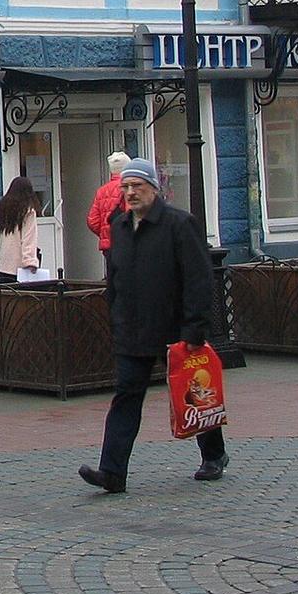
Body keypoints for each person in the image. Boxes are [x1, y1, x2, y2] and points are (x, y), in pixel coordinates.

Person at [79, 158, 229, 493]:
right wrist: (116, 317)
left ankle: (214, 454)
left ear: (153, 188)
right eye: (126, 187)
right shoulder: (119, 226)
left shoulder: (179, 224)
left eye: (137, 186)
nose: (130, 193)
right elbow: (116, 279)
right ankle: (112, 472)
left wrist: (195, 328)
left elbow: (198, 279)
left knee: (194, 392)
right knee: (126, 397)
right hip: (133, 331)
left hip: (175, 330)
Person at [0, 175, 42, 283]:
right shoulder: (28, 212)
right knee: (21, 294)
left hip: (3, 265)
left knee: (4, 293)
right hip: (20, 268)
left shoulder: (1, 208)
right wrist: (30, 262)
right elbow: (28, 238)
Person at [86, 151, 132, 274]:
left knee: (112, 277)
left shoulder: (101, 191)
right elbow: (131, 216)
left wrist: (105, 233)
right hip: (126, 243)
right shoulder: (129, 188)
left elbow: (93, 221)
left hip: (108, 246)